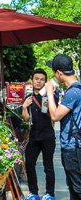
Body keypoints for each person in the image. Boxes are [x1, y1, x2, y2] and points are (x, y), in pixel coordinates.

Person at [45, 54, 81, 200]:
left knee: (77, 188)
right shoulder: (76, 90)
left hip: (73, 148)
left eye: (53, 72)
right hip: (74, 146)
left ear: (59, 73)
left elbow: (55, 116)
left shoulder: (73, 92)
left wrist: (48, 92)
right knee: (74, 188)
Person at [22, 68, 57, 200]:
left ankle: (49, 194)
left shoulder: (51, 96)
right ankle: (33, 193)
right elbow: (25, 119)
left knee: (48, 166)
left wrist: (49, 96)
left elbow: (48, 112)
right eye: (36, 79)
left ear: (45, 82)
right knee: (29, 164)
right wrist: (24, 107)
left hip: (48, 136)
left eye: (42, 79)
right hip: (34, 136)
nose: (39, 81)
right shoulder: (28, 98)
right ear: (32, 80)